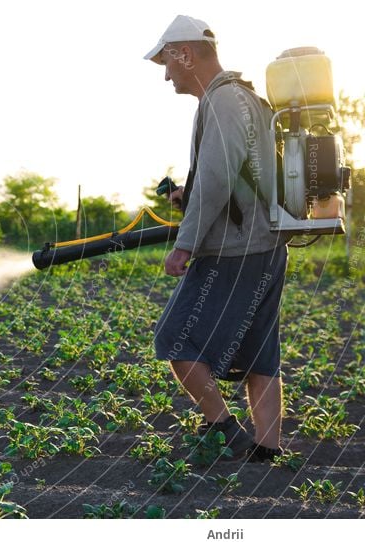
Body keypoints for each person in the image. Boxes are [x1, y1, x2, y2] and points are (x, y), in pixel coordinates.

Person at [144, 15, 288, 462]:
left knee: (174, 341)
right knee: (259, 351)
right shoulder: (248, 99)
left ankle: (223, 427)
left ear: (185, 53)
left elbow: (215, 177)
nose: (166, 74)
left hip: (233, 251)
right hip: (265, 246)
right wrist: (189, 197)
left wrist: (185, 243)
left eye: (167, 62)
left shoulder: (223, 101)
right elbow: (240, 178)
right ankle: (267, 449)